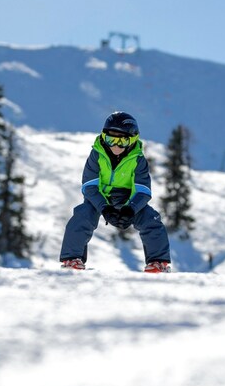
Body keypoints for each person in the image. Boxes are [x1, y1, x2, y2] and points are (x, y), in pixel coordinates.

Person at [59, 111, 172, 273]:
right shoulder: (97, 154)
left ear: (132, 140)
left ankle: (158, 262)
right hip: (100, 198)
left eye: (122, 141)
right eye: (110, 139)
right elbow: (90, 186)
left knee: (150, 218)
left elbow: (143, 189)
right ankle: (72, 259)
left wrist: (131, 208)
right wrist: (104, 207)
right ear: (104, 137)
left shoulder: (137, 158)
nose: (115, 146)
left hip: (128, 199)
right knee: (82, 215)